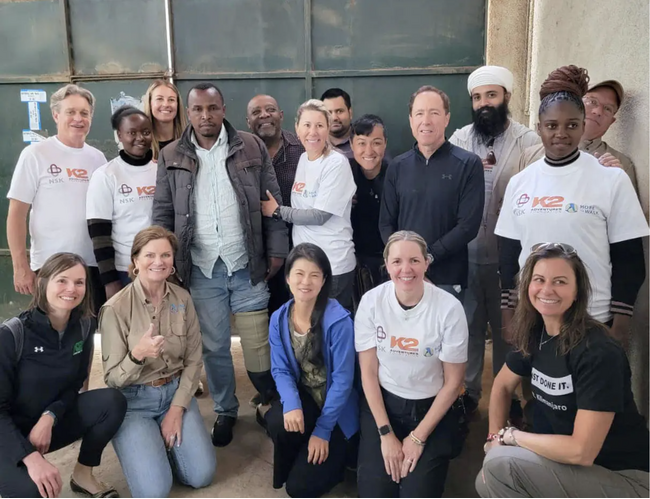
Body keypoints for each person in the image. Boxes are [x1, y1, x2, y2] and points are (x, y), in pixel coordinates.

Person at [152, 82, 289, 446]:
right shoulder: (171, 155)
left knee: (258, 346)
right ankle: (226, 410)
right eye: (198, 109)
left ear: (223, 109)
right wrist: (166, 262)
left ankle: (267, 401)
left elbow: (272, 200)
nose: (205, 116)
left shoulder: (251, 145)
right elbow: (162, 212)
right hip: (202, 270)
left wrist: (277, 251)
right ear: (189, 113)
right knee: (214, 348)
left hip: (247, 264)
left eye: (212, 108)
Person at [476, 244, 649, 498]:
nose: (547, 290)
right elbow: (502, 385)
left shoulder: (597, 352)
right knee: (487, 479)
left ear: (577, 291)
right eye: (539, 280)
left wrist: (510, 436)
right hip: (573, 468)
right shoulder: (537, 334)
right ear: (527, 286)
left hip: (625, 477)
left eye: (560, 281)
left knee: (500, 465)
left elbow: (582, 451)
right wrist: (494, 437)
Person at [495, 66, 648, 350]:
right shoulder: (520, 183)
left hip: (593, 319)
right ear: (539, 128)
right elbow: (508, 255)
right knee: (535, 381)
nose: (561, 134)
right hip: (534, 317)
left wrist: (620, 324)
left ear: (582, 124)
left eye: (572, 125)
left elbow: (629, 259)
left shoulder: (612, 179)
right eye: (552, 125)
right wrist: (508, 313)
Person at [449, 66, 540, 415]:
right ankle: (468, 395)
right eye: (477, 97)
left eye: (491, 95)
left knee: (509, 331)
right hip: (466, 256)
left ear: (507, 97)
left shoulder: (527, 141)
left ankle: (510, 397)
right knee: (468, 328)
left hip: (510, 260)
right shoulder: (460, 139)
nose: (484, 103)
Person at [99, 226, 215, 498]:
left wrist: (177, 409)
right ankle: (146, 442)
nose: (158, 262)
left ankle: (163, 442)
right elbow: (113, 379)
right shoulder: (115, 309)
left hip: (175, 392)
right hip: (134, 402)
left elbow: (194, 359)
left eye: (165, 255)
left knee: (202, 475)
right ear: (136, 261)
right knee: (154, 491)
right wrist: (137, 355)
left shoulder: (182, 299)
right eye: (149, 255)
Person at [0, 252, 126, 498]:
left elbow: (76, 383)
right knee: (38, 489)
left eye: (79, 282)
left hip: (44, 425)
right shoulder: (12, 335)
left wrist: (50, 416)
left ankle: (83, 475)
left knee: (111, 401)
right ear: (42, 282)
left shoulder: (84, 326)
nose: (71, 289)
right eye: (62, 280)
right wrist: (30, 457)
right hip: (7, 434)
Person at [355, 230, 468, 498]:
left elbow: (453, 384)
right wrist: (385, 434)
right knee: (375, 494)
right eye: (397, 261)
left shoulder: (449, 308)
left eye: (414, 260)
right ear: (387, 265)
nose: (406, 269)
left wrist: (418, 438)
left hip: (431, 409)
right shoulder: (371, 302)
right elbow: (368, 373)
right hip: (385, 406)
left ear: (426, 263)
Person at [265, 243, 359, 497]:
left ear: (324, 280)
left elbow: (343, 382)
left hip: (337, 409)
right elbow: (280, 369)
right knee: (277, 419)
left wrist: (323, 430)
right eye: (299, 273)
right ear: (287, 278)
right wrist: (291, 403)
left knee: (300, 488)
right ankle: (301, 455)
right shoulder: (279, 318)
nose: (306, 281)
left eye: (314, 275)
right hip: (307, 398)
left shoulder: (339, 321)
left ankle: (339, 456)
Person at [7, 84, 107, 313]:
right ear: (56, 115)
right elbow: (16, 214)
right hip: (49, 266)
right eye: (71, 112)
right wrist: (20, 266)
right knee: (51, 330)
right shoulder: (35, 154)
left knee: (90, 330)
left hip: (90, 267)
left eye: (84, 113)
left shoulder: (98, 159)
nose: (78, 119)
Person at [379, 86, 484, 302]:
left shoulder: (468, 164)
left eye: (434, 113)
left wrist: (426, 258)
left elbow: (468, 226)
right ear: (411, 120)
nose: (426, 121)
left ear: (447, 119)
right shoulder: (397, 166)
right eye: (419, 113)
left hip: (448, 279)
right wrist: (406, 263)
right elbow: (386, 223)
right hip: (404, 277)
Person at [261, 99, 356, 312]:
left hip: (333, 264)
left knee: (330, 326)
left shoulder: (336, 163)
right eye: (307, 125)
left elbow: (320, 216)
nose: (313, 132)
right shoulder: (304, 159)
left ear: (328, 128)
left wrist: (277, 211)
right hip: (304, 266)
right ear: (297, 128)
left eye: (319, 125)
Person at [519, 79, 639, 194]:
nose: (598, 111)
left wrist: (619, 183)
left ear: (611, 121)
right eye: (592, 102)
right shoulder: (531, 155)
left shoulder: (620, 164)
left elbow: (629, 208)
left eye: (608, 108)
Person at [87, 106, 156, 299]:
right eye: (132, 133)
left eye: (146, 132)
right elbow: (98, 233)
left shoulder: (161, 170)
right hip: (124, 271)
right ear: (120, 135)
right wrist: (110, 281)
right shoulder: (106, 175)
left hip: (159, 267)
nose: (140, 138)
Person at [246, 94, 305, 315]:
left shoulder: (301, 148)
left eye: (270, 110)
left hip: (298, 243)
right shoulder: (240, 152)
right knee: (267, 312)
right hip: (257, 248)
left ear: (281, 115)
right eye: (256, 112)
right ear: (248, 122)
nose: (264, 115)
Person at [350, 114, 390, 302]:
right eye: (361, 143)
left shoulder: (396, 174)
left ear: (385, 144)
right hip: (352, 262)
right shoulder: (342, 173)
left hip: (389, 260)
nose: (369, 150)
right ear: (351, 145)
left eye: (376, 143)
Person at [143, 80, 187, 161]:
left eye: (171, 100)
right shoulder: (140, 145)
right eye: (159, 99)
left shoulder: (191, 141)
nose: (166, 104)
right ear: (149, 103)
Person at [320, 88, 354, 159]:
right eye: (329, 112)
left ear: (350, 113)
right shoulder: (314, 142)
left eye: (339, 111)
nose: (334, 118)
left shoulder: (363, 142)